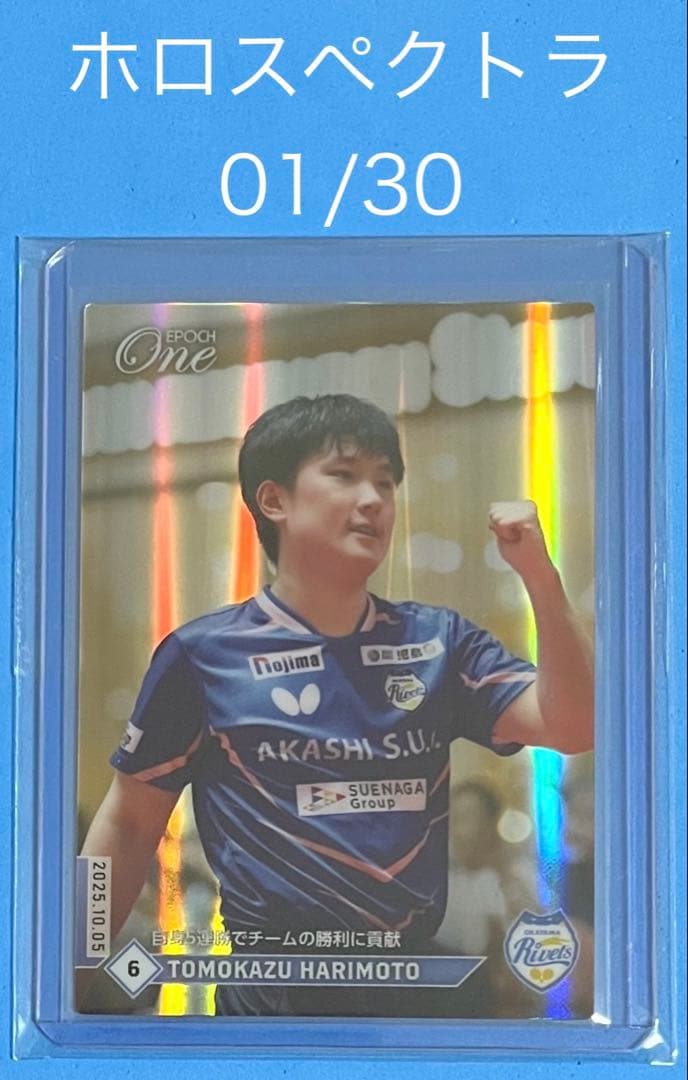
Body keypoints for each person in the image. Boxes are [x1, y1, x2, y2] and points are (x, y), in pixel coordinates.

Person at [81, 393, 594, 1017]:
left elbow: (574, 725)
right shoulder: (202, 656)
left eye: (385, 482)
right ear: (275, 500)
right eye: (345, 475)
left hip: (414, 994)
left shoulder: (441, 642)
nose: (373, 499)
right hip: (270, 1005)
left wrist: (539, 575)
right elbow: (127, 826)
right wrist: (68, 984)